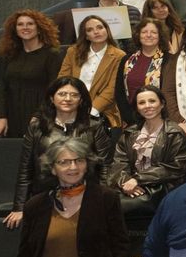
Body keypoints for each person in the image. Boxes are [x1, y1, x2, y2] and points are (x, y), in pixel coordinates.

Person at [8, 77, 113, 229]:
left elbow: (105, 168)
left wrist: (103, 202)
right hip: (45, 196)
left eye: (74, 95)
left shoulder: (95, 127)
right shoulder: (37, 127)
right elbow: (26, 169)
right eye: (62, 94)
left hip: (85, 197)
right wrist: (19, 207)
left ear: (81, 100)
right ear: (52, 98)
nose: (68, 99)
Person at [108, 85, 186, 233]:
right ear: (137, 107)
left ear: (162, 103)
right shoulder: (130, 133)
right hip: (132, 186)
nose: (147, 106)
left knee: (112, 206)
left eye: (152, 101)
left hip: (163, 188)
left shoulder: (175, 133)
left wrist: (138, 179)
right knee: (102, 200)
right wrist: (125, 182)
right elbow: (119, 162)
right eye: (142, 103)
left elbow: (175, 167)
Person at [0, 10, 63, 139]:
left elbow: (54, 90)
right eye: (20, 24)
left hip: (40, 113)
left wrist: (39, 116)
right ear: (15, 30)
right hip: (13, 113)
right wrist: (2, 117)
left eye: (30, 24)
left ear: (39, 28)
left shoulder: (51, 55)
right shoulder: (10, 54)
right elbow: (4, 88)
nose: (25, 27)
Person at [59, 15, 126, 127]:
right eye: (90, 30)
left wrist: (91, 111)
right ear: (86, 36)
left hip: (102, 111)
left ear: (107, 30)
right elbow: (62, 79)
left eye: (100, 27)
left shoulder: (119, 55)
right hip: (71, 104)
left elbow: (112, 89)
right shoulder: (73, 51)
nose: (96, 32)